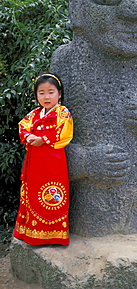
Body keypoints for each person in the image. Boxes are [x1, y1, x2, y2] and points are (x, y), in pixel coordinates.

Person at [13, 73, 73, 245]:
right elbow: (22, 127)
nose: (46, 96)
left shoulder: (63, 113)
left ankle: (54, 235)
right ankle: (32, 233)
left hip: (54, 162)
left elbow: (64, 133)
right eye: (41, 93)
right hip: (34, 162)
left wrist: (43, 139)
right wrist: (30, 137)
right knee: (32, 194)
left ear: (59, 94)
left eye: (51, 92)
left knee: (52, 196)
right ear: (36, 95)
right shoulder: (34, 114)